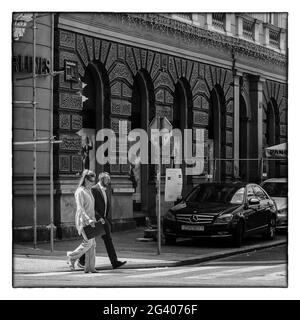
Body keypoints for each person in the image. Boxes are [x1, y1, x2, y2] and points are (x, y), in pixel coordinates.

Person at [78, 172, 126, 269]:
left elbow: (106, 205)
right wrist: (98, 217)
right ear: (101, 179)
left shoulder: (107, 190)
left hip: (104, 220)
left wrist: (106, 218)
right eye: (107, 179)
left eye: (109, 179)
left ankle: (114, 262)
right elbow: (92, 206)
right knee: (90, 241)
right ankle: (80, 260)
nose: (109, 181)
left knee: (108, 240)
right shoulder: (94, 189)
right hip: (96, 220)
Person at [67, 169, 98, 273]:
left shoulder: (89, 190)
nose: (92, 183)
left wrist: (96, 218)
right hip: (83, 221)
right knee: (88, 243)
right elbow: (80, 208)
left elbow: (91, 207)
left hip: (91, 221)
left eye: (93, 181)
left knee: (92, 244)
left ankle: (90, 268)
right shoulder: (80, 191)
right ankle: (71, 257)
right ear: (85, 179)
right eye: (90, 181)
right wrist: (88, 219)